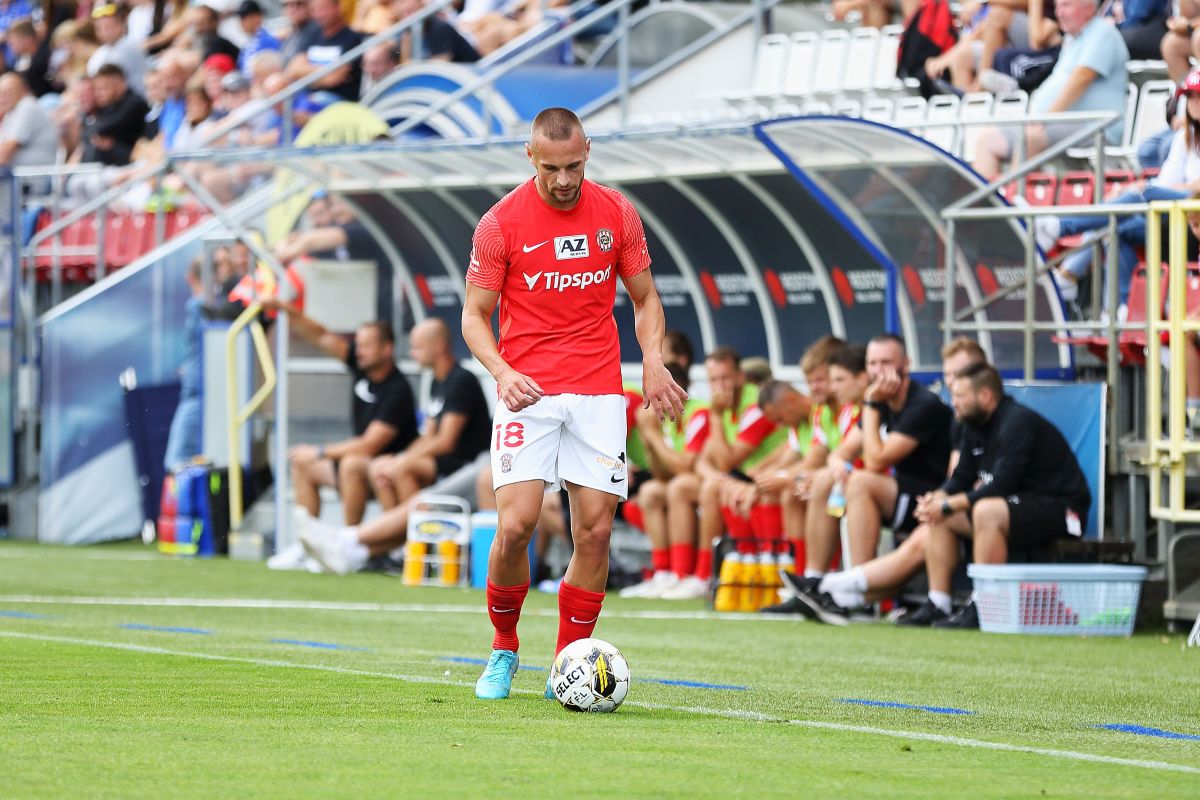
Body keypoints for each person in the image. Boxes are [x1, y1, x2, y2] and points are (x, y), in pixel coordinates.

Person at [461, 107, 686, 700]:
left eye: (574, 167)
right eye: (552, 169)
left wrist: (653, 361)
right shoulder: (500, 223)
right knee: (516, 525)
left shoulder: (616, 211)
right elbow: (474, 316)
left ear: (588, 152)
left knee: (594, 532)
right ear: (530, 157)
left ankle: (568, 661)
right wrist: (502, 372)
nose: (564, 181)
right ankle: (504, 648)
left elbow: (646, 298)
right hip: (527, 391)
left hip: (597, 391)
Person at [781, 338, 985, 624]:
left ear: (906, 365)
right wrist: (839, 466)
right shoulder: (883, 403)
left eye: (886, 362)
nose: (879, 370)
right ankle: (818, 579)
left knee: (861, 482)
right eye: (873, 363)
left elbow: (877, 461)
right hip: (921, 500)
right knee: (827, 478)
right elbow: (840, 453)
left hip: (930, 498)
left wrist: (871, 404)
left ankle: (849, 593)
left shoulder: (922, 404)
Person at [898, 362, 1091, 628]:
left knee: (985, 510)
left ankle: (984, 606)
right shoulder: (972, 425)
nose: (953, 403)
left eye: (959, 396)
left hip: (1066, 511)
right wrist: (936, 499)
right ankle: (939, 603)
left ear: (985, 396)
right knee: (943, 515)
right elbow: (961, 477)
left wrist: (948, 505)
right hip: (1018, 507)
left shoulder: (1017, 422)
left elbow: (1002, 485)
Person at [1037, 68, 1200, 308]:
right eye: (1191, 96)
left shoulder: (1185, 134)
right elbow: (1168, 180)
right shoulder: (1186, 135)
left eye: (1199, 96)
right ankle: (1120, 310)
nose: (1194, 102)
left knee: (1143, 193)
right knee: (1115, 225)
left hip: (1193, 211)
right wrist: (1130, 191)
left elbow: (1192, 187)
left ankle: (1061, 231)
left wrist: (1146, 190)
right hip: (1176, 211)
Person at [265, 299, 419, 525]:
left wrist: (319, 451)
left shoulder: (398, 390)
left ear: (387, 349)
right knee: (303, 464)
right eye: (358, 345)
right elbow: (320, 336)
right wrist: (284, 308)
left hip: (386, 468)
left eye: (366, 346)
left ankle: (349, 538)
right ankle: (307, 540)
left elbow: (369, 445)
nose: (359, 351)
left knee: (351, 463)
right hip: (363, 463)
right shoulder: (361, 366)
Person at [660, 346, 785, 600]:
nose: (719, 386)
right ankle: (678, 574)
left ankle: (705, 576)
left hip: (769, 477)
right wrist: (719, 478)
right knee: (680, 487)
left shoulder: (756, 404)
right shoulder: (720, 405)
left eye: (725, 378)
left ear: (740, 376)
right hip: (741, 477)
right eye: (713, 380)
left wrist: (716, 418)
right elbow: (703, 462)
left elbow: (727, 461)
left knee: (709, 488)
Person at [972, 0, 1128, 180]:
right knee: (987, 139)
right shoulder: (1072, 40)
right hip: (1060, 123)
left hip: (1096, 126)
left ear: (1088, 9)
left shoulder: (1103, 32)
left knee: (1030, 138)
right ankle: (989, 197)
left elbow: (1082, 78)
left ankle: (1014, 196)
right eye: (1057, 7)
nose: (1059, 13)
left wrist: (1045, 119)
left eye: (1066, 5)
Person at [366, 318, 490, 511]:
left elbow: (446, 441)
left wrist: (402, 462)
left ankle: (417, 527)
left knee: (403, 469)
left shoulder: (462, 380)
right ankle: (399, 527)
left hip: (468, 464)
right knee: (380, 466)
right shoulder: (436, 381)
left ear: (438, 346)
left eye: (417, 348)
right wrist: (401, 457)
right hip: (444, 460)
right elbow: (428, 436)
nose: (412, 354)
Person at [618, 362, 710, 598]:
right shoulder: (667, 416)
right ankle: (663, 573)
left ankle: (685, 574)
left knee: (678, 488)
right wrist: (649, 441)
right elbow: (661, 474)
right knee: (650, 491)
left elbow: (685, 468)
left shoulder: (698, 412)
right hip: (687, 482)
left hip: (708, 481)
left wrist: (652, 436)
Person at [285, 0, 364, 103]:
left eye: (323, 8)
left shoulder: (352, 38)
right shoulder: (312, 35)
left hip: (339, 102)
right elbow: (294, 69)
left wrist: (306, 75)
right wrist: (327, 71)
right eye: (315, 10)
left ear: (338, 8)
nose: (319, 14)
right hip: (309, 98)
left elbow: (333, 79)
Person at [75, 63, 150, 166]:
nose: (99, 93)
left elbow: (104, 128)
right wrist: (97, 136)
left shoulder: (134, 103)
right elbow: (87, 134)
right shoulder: (107, 107)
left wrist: (98, 135)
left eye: (105, 88)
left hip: (136, 159)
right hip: (117, 162)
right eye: (97, 89)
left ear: (121, 85)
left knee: (99, 150)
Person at [0, 73, 58, 169]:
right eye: (1, 93)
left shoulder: (27, 106)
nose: (3, 98)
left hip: (33, 175)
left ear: (23, 90)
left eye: (8, 92)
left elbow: (4, 153)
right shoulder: (11, 111)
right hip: (17, 174)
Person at [87, 3, 148, 94]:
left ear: (121, 26)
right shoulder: (101, 51)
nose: (104, 32)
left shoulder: (130, 47)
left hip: (134, 98)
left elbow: (107, 81)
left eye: (108, 27)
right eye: (99, 28)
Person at [235, 0, 281, 77]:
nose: (242, 22)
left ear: (258, 17)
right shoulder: (248, 45)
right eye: (241, 18)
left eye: (245, 18)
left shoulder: (268, 40)